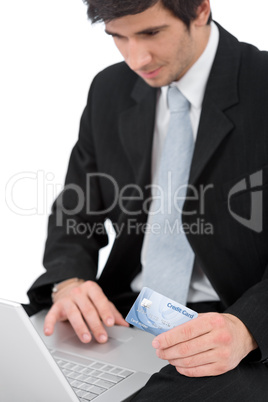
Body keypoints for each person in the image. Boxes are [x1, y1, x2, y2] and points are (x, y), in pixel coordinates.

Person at [26, 0, 268, 400]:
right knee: (21, 361)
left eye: (151, 33)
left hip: (230, 320)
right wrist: (70, 282)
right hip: (123, 311)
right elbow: (74, 210)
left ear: (201, 9)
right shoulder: (110, 90)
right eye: (117, 37)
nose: (136, 58)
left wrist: (248, 328)